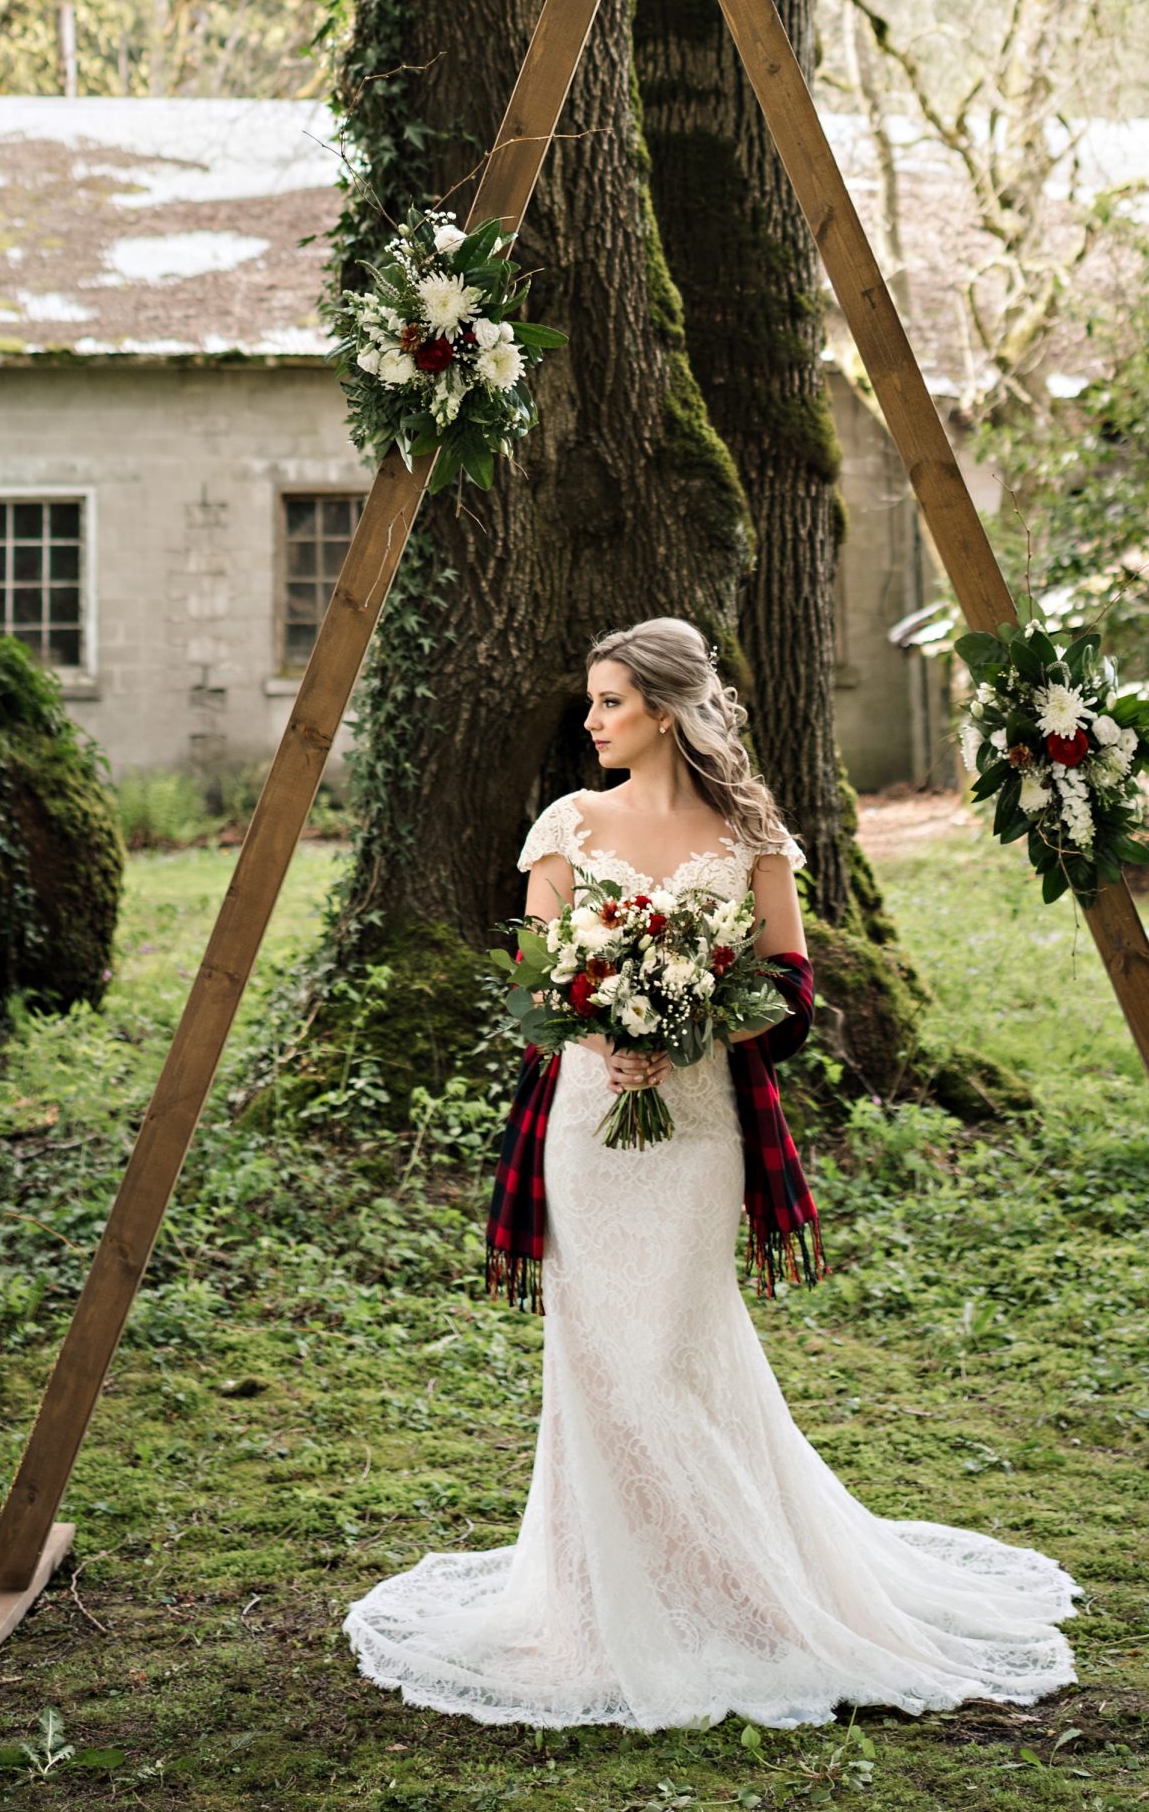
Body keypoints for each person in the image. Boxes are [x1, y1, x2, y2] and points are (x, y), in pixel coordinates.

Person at [340, 617, 1081, 1730]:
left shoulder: (752, 831)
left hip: (698, 1125)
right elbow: (535, 977)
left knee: (673, 1352)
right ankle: (607, 1603)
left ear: (670, 710)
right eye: (592, 703)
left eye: (610, 703)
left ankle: (739, 1592)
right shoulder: (568, 823)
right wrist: (604, 1036)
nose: (590, 722)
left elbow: (790, 978)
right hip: (589, 1126)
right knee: (602, 1361)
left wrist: (694, 1023)